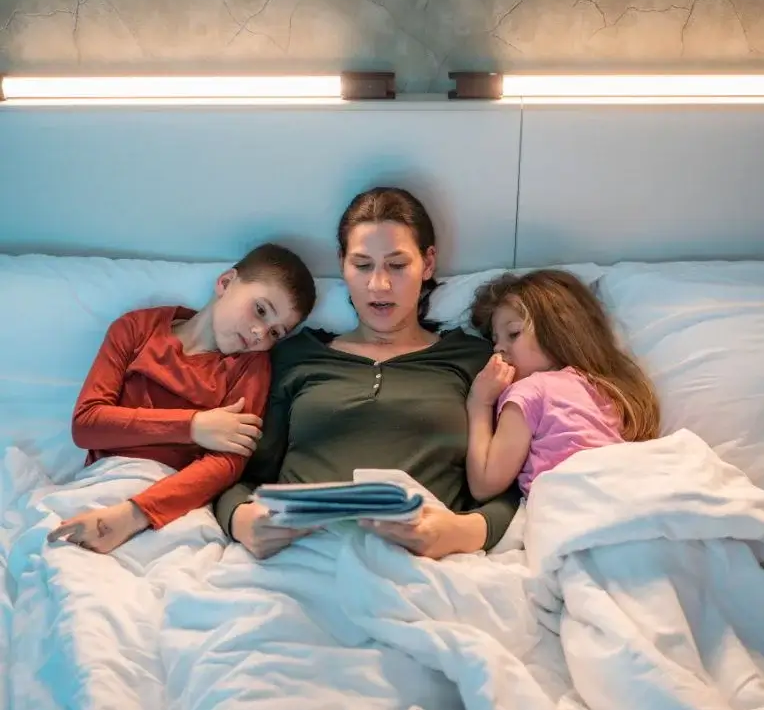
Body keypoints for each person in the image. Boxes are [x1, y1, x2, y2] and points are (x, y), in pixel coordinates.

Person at [215, 187, 521, 561]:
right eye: (362, 265)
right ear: (342, 264)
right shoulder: (295, 356)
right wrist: (243, 521)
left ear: (427, 264)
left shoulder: (476, 361)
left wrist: (459, 532)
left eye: (397, 265)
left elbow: (510, 486)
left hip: (425, 567)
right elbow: (234, 471)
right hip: (301, 558)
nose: (379, 284)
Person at [47, 243, 317, 553]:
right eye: (260, 310)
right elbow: (87, 424)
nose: (260, 334)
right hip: (106, 479)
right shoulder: (137, 329)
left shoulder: (251, 366)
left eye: (276, 333)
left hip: (175, 501)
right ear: (226, 283)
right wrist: (193, 426)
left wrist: (134, 514)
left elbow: (227, 463)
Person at [465, 269, 660, 500]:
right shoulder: (607, 388)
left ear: (558, 330)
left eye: (513, 333)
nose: (498, 349)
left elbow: (485, 485)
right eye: (495, 340)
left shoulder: (529, 392)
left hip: (571, 506)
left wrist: (479, 402)